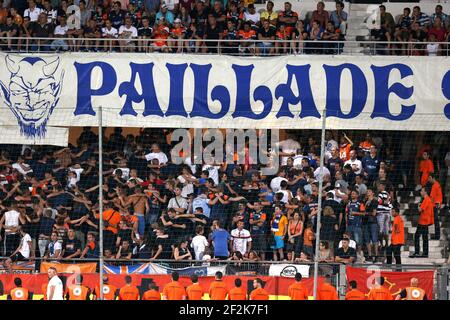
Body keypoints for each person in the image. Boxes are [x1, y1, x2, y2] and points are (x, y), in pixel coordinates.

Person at [410, 188, 434, 258]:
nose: (420, 192)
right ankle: (425, 253)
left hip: (423, 221)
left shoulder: (426, 200)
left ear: (425, 192)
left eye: (422, 191)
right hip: (425, 221)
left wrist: (418, 205)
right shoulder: (428, 199)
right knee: (424, 238)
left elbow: (420, 209)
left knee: (417, 236)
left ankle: (418, 252)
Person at [429, 173, 443, 240]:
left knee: (436, 221)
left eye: (429, 178)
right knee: (436, 221)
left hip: (435, 205)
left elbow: (432, 197)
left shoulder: (435, 186)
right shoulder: (437, 184)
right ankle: (437, 235)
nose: (428, 179)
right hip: (437, 205)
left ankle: (437, 236)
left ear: (433, 178)